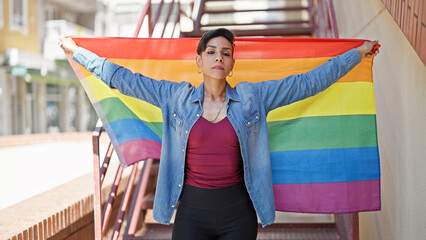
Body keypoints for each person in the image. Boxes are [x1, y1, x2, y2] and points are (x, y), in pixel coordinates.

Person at [60, 28, 380, 240]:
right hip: (191, 214)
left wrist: (357, 54)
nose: (218, 57)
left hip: (237, 215)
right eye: (211, 52)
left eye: (225, 53)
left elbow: (307, 83)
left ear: (232, 64)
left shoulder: (254, 99)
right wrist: (79, 54)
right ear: (199, 61)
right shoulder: (175, 98)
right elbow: (122, 79)